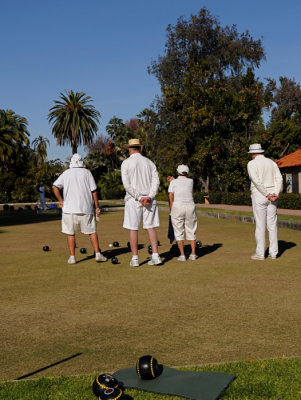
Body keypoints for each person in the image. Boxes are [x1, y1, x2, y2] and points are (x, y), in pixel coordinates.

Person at [52, 153, 107, 265]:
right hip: (85, 208)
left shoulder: (66, 173)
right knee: (92, 231)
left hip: (69, 209)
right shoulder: (87, 173)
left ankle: (72, 257)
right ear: (82, 161)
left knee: (70, 233)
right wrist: (97, 206)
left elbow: (55, 186)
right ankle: (97, 254)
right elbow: (94, 191)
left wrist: (61, 201)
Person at [121, 138, 162, 267]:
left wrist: (140, 197)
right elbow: (156, 181)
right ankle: (155, 256)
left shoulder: (126, 163)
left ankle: (135, 259)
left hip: (134, 200)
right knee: (150, 227)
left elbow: (126, 185)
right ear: (139, 148)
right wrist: (149, 196)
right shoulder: (149, 162)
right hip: (148, 200)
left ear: (129, 149)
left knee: (133, 228)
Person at [247, 143, 283, 260]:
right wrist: (275, 193)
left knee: (260, 224)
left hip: (260, 195)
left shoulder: (252, 164)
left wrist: (267, 194)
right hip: (273, 194)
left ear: (252, 153)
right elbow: (279, 178)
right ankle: (273, 253)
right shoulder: (272, 162)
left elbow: (256, 181)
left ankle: (260, 253)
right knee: (272, 224)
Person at [168, 165, 197, 261]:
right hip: (190, 206)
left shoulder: (173, 182)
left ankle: (182, 255)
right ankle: (193, 254)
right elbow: (182, 183)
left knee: (178, 230)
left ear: (178, 172)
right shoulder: (191, 181)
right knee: (191, 229)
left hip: (178, 206)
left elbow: (171, 195)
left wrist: (171, 209)